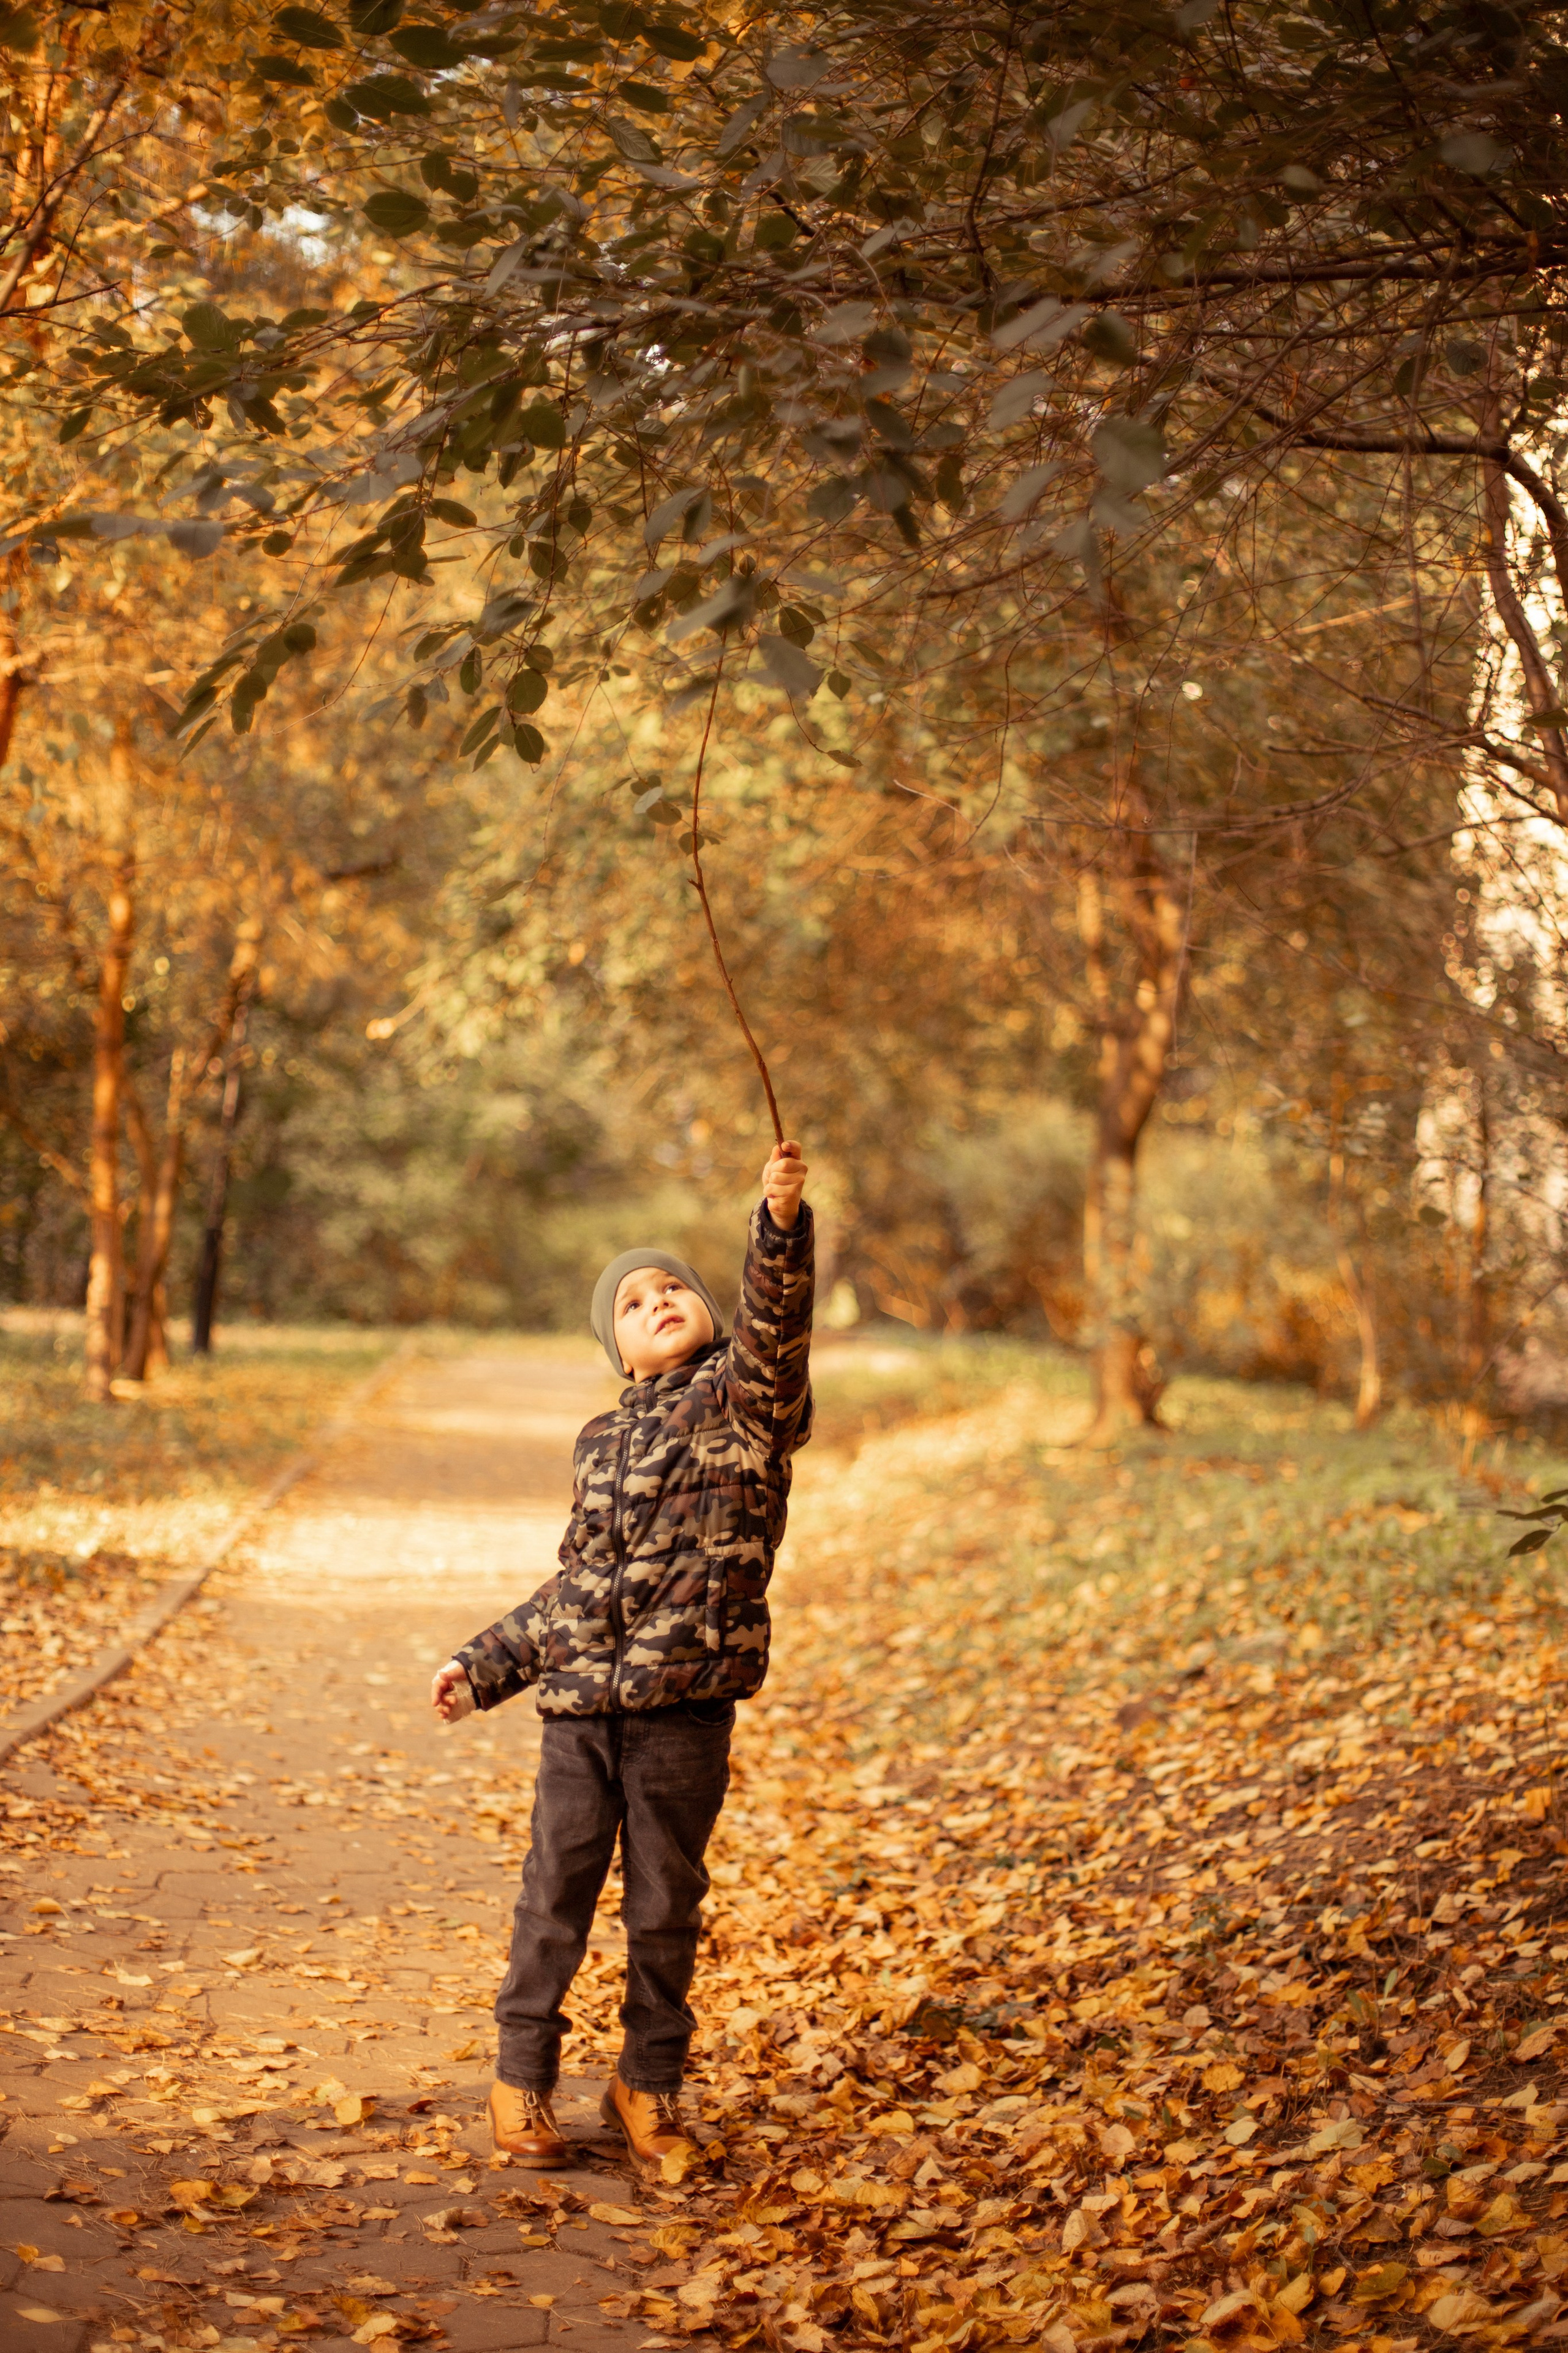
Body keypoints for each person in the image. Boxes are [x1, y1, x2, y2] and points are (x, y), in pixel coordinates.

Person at [430, 1139, 813, 2177]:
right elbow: (573, 1584)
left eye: (673, 1287)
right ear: (618, 1349)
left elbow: (776, 1333)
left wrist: (775, 1225)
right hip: (577, 1717)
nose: (656, 1301)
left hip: (683, 1714)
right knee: (552, 1894)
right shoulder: (599, 1441)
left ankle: (648, 2084)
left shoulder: (745, 1410)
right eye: (632, 1303)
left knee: (662, 1908)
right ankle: (521, 2079)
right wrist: (486, 1663)